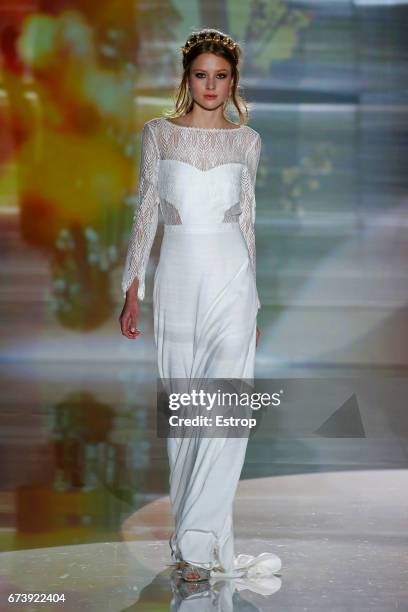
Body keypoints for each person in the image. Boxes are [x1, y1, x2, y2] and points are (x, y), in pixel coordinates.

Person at [119, 28, 281, 583]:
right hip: (178, 283)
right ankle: (194, 537)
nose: (211, 85)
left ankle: (194, 547)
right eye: (201, 75)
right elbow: (145, 213)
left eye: (221, 76)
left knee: (225, 414)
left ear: (233, 81)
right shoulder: (158, 135)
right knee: (187, 416)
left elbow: (247, 221)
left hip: (233, 281)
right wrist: (132, 286)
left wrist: (254, 302)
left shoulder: (247, 141)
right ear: (186, 78)